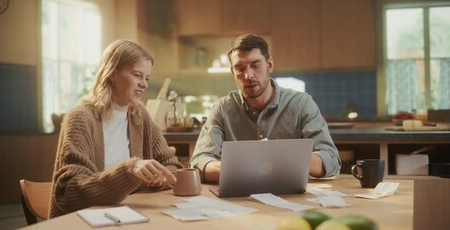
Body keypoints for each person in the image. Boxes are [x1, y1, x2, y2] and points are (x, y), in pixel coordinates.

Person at [49, 39, 183, 218]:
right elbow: (71, 191)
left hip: (129, 214)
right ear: (112, 73)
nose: (144, 84)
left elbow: (171, 166)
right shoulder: (80, 117)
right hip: (83, 220)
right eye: (137, 75)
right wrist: (130, 171)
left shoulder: (139, 115)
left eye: (146, 78)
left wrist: (155, 180)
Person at [190, 34, 341, 183]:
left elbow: (331, 159)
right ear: (232, 72)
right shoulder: (222, 109)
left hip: (294, 198)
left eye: (255, 65)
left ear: (270, 65)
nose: (248, 75)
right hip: (239, 199)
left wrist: (281, 159)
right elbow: (199, 161)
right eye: (239, 68)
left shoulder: (302, 104)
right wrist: (233, 168)